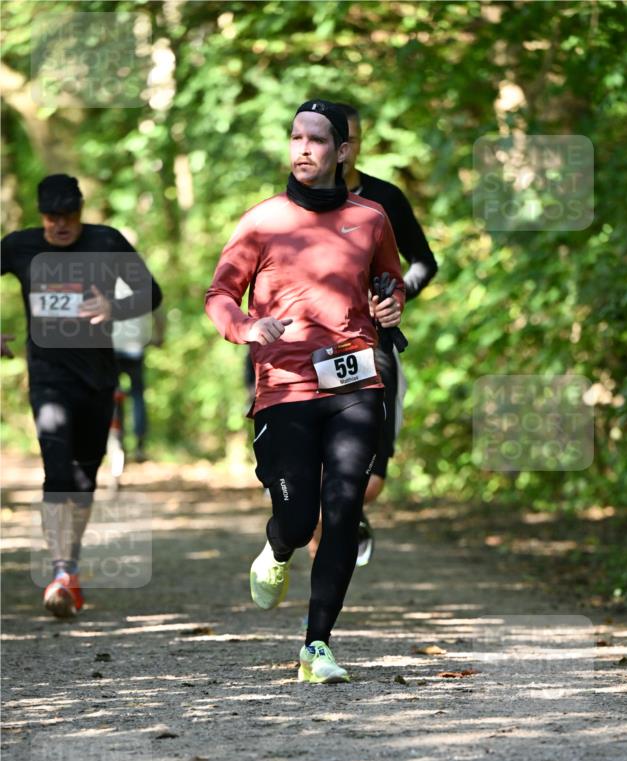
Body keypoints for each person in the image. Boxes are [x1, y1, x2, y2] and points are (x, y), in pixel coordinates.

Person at [206, 99, 404, 684]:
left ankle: (317, 645)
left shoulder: (370, 218)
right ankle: (278, 548)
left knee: (343, 507)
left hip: (354, 381)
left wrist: (390, 305)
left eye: (317, 140)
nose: (303, 149)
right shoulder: (262, 221)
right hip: (284, 388)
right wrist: (245, 327)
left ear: (342, 151)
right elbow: (220, 294)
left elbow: (388, 284)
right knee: (298, 518)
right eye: (295, 137)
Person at [1, 174, 163, 618]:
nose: (61, 225)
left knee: (84, 481)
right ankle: (60, 572)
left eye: (69, 215)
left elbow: (151, 292)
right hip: (48, 377)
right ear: (41, 216)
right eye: (52, 217)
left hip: (97, 379)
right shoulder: (19, 246)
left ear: (80, 210)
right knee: (57, 472)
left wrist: (115, 306)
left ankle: (68, 562)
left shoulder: (106, 242)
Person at [333, 101, 438, 565]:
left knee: (371, 476)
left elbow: (424, 262)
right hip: (311, 349)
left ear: (355, 143)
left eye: (352, 138)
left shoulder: (385, 198)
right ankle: (324, 575)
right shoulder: (294, 201)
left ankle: (350, 512)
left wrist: (397, 297)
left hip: (372, 345)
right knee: (316, 467)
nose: (345, 147)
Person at [112, 278, 166, 462]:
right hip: (135, 347)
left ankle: (115, 438)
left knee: (111, 392)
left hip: (110, 347)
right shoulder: (142, 278)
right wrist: (159, 336)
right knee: (137, 394)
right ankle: (140, 442)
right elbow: (158, 310)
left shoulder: (102, 273)